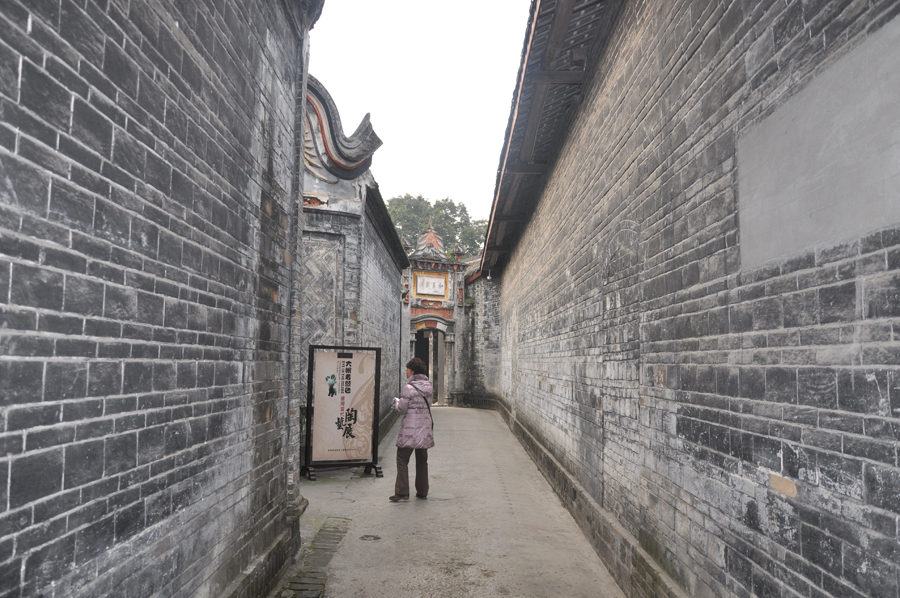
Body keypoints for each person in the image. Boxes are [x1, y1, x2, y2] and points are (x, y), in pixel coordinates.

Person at [389, 358, 434, 501]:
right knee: (422, 461)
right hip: (424, 429)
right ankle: (422, 491)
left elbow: (402, 409)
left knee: (402, 459)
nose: (406, 371)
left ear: (413, 371)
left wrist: (396, 403)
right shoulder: (429, 387)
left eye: (407, 369)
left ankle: (402, 491)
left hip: (409, 429)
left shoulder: (408, 388)